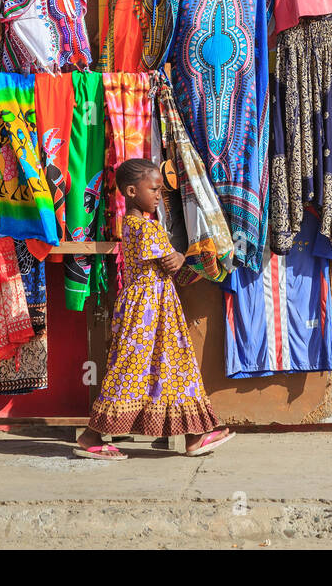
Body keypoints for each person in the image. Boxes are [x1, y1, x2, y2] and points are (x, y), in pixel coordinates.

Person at [75, 158, 234, 460]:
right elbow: (172, 263)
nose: (159, 195)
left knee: (176, 367)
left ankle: (195, 436)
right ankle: (91, 435)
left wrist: (179, 256)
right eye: (155, 189)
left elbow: (171, 263)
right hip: (144, 312)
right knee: (130, 370)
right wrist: (183, 255)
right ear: (132, 191)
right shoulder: (142, 227)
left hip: (158, 308)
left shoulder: (141, 225)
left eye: (160, 190)